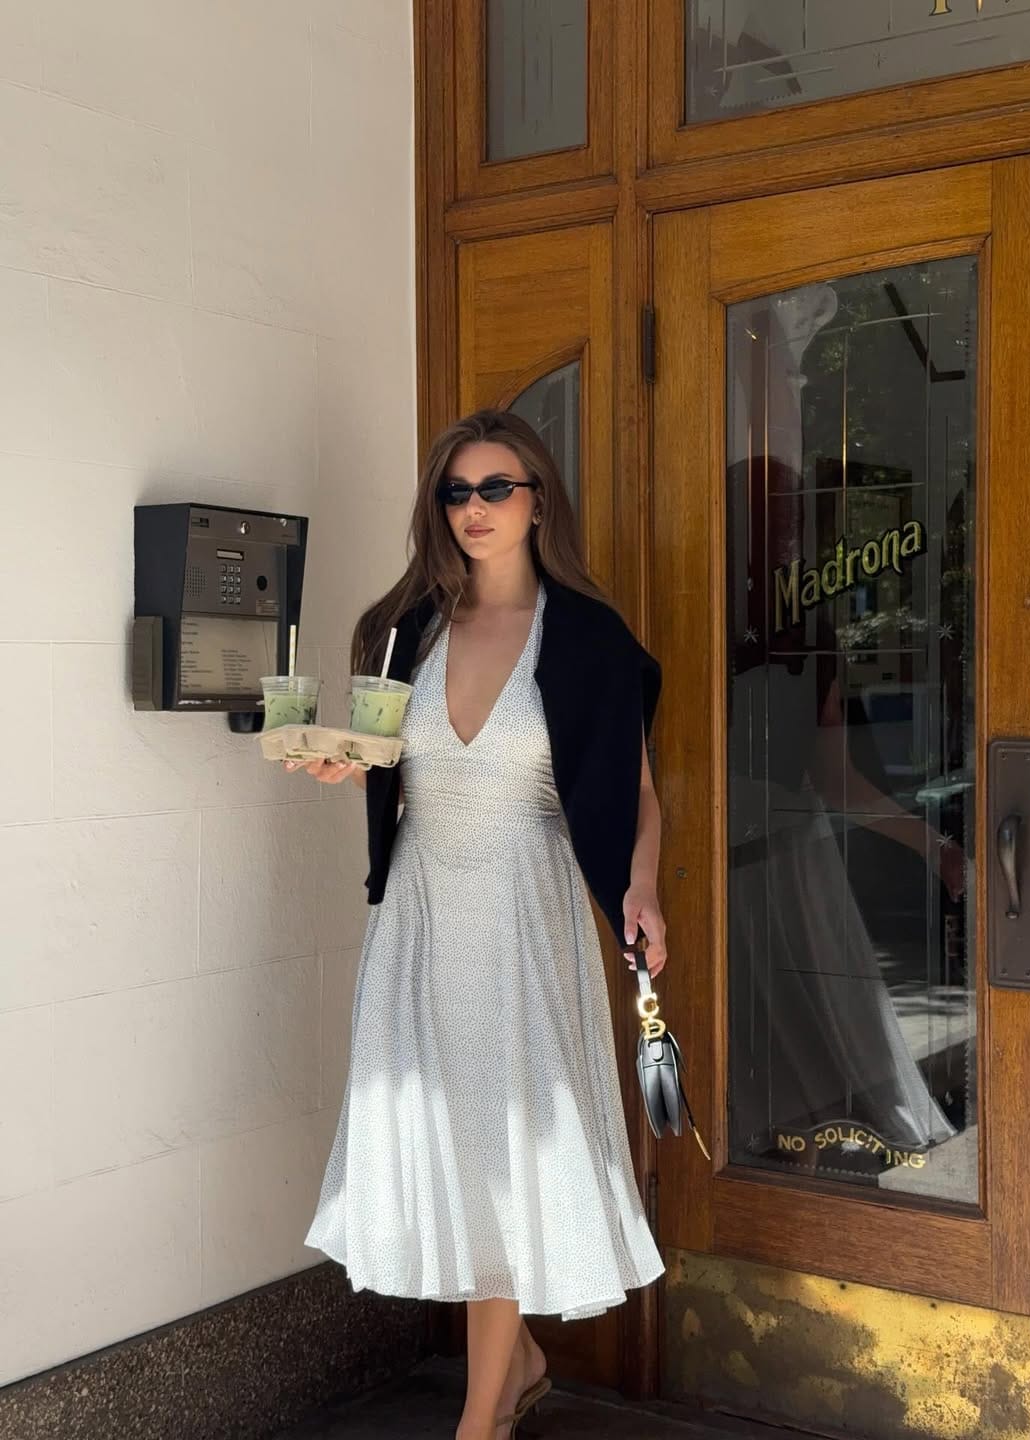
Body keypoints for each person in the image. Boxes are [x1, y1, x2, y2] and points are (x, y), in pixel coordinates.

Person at [289, 410, 668, 1440]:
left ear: (539, 499)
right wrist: (341, 762)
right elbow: (381, 757)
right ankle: (524, 1365)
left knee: (503, 1148)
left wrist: (643, 891)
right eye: (456, 493)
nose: (473, 511)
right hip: (419, 911)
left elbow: (636, 790)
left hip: (525, 913)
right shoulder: (404, 629)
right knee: (453, 1144)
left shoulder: (586, 637)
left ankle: (479, 1421)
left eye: (495, 489)